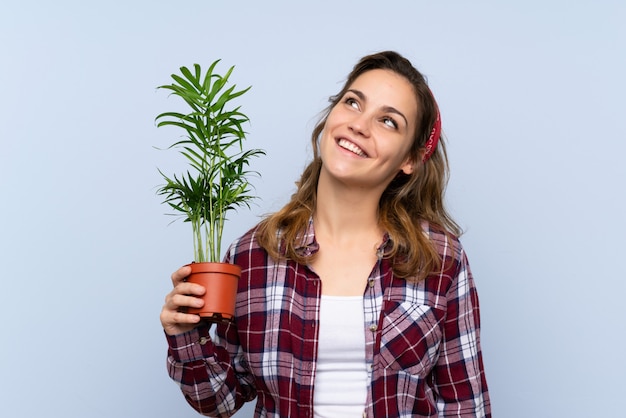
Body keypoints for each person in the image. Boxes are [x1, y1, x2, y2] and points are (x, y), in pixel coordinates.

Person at [160, 50, 491, 417]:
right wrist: (184, 335)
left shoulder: (440, 258)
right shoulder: (253, 255)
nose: (359, 125)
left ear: (409, 160)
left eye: (388, 121)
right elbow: (219, 400)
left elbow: (464, 405)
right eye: (352, 103)